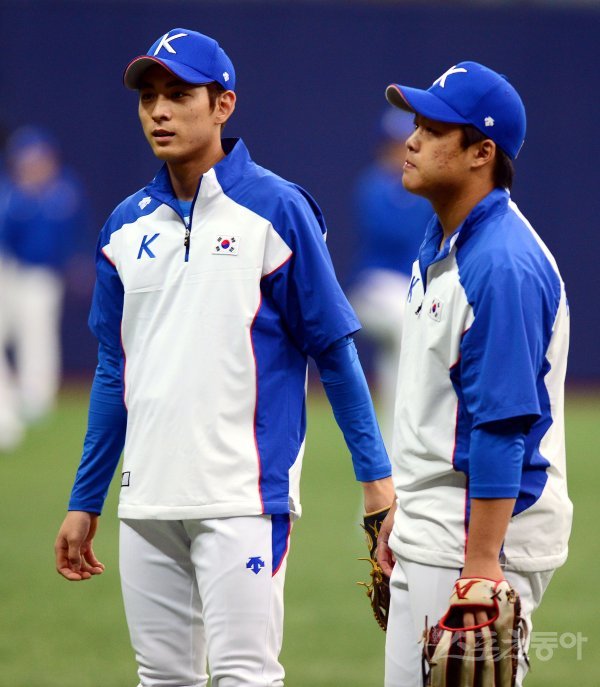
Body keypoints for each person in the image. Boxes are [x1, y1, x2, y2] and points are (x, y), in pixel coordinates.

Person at [54, 27, 394, 687]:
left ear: (223, 105)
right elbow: (113, 368)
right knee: (161, 677)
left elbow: (333, 350)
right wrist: (85, 497)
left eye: (178, 94)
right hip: (148, 500)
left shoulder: (278, 210)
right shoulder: (124, 225)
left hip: (244, 497)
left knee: (245, 675)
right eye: (149, 96)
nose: (159, 111)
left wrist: (376, 482)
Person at [376, 62, 572, 686]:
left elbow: (502, 422)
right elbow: (440, 403)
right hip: (434, 519)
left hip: (475, 533)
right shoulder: (445, 241)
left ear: (481, 153)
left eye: (434, 130)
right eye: (416, 125)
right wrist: (406, 506)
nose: (412, 141)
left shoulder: (502, 264)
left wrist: (483, 564)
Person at [349, 108, 432, 448]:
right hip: (376, 288)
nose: (405, 148)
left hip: (413, 291)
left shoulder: (425, 186)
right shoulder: (375, 185)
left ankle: (397, 446)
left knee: (397, 364)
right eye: (398, 142)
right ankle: (399, 437)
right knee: (405, 323)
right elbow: (396, 233)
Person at [0, 126, 86, 450]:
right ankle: (7, 403)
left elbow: (77, 230)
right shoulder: (12, 193)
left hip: (43, 275)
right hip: (10, 272)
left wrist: (77, 261)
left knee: (38, 335)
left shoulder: (64, 190)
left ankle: (36, 398)